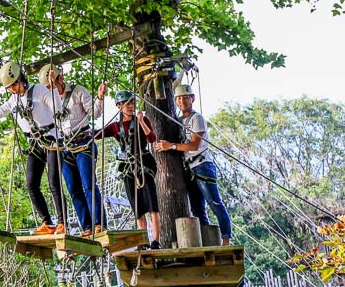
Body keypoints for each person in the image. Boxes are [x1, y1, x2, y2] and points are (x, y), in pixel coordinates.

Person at [0, 61, 75, 235]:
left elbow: (57, 109)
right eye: (10, 87)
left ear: (22, 79)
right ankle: (47, 222)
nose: (12, 89)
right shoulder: (13, 100)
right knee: (31, 184)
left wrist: (52, 89)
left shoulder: (40, 90)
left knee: (53, 182)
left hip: (52, 140)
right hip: (35, 143)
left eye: (14, 85)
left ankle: (62, 223)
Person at [155, 84, 233, 246]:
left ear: (192, 99)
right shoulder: (179, 121)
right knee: (197, 209)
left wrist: (171, 146)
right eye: (178, 98)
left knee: (215, 203)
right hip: (188, 169)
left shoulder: (197, 119)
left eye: (185, 97)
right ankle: (206, 241)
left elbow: (194, 145)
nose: (182, 101)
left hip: (202, 165)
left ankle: (226, 240)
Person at [40, 63, 106, 237]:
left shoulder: (78, 92)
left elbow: (95, 113)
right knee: (73, 189)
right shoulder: (50, 101)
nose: (50, 90)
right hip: (65, 147)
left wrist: (100, 97)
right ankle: (87, 227)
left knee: (88, 185)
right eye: (47, 88)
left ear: (61, 79)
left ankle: (99, 223)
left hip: (83, 143)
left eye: (52, 86)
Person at [94, 90, 161, 249]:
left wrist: (141, 121)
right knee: (138, 208)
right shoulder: (115, 127)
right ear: (119, 106)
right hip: (127, 168)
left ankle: (156, 240)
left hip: (144, 165)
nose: (130, 106)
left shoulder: (142, 119)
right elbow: (96, 135)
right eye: (126, 104)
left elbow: (152, 139)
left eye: (132, 103)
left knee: (152, 205)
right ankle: (143, 241)